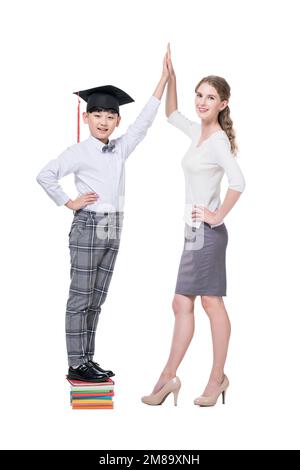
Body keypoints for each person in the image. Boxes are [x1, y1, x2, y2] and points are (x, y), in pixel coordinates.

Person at [36, 51, 170, 382]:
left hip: (114, 225)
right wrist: (69, 202)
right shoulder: (78, 152)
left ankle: (88, 360)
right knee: (80, 296)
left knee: (97, 299)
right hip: (89, 225)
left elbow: (144, 124)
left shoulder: (120, 147)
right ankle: (75, 362)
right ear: (86, 118)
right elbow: (45, 175)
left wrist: (163, 82)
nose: (104, 121)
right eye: (97, 114)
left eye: (110, 115)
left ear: (117, 121)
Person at [141, 44, 246, 406]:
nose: (201, 102)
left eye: (210, 97)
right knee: (183, 303)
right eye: (199, 95)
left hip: (207, 233)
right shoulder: (198, 132)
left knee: (208, 304)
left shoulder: (216, 140)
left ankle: (211, 379)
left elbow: (239, 182)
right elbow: (170, 113)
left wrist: (217, 216)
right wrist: (171, 77)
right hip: (194, 233)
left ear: (223, 104)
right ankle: (170, 378)